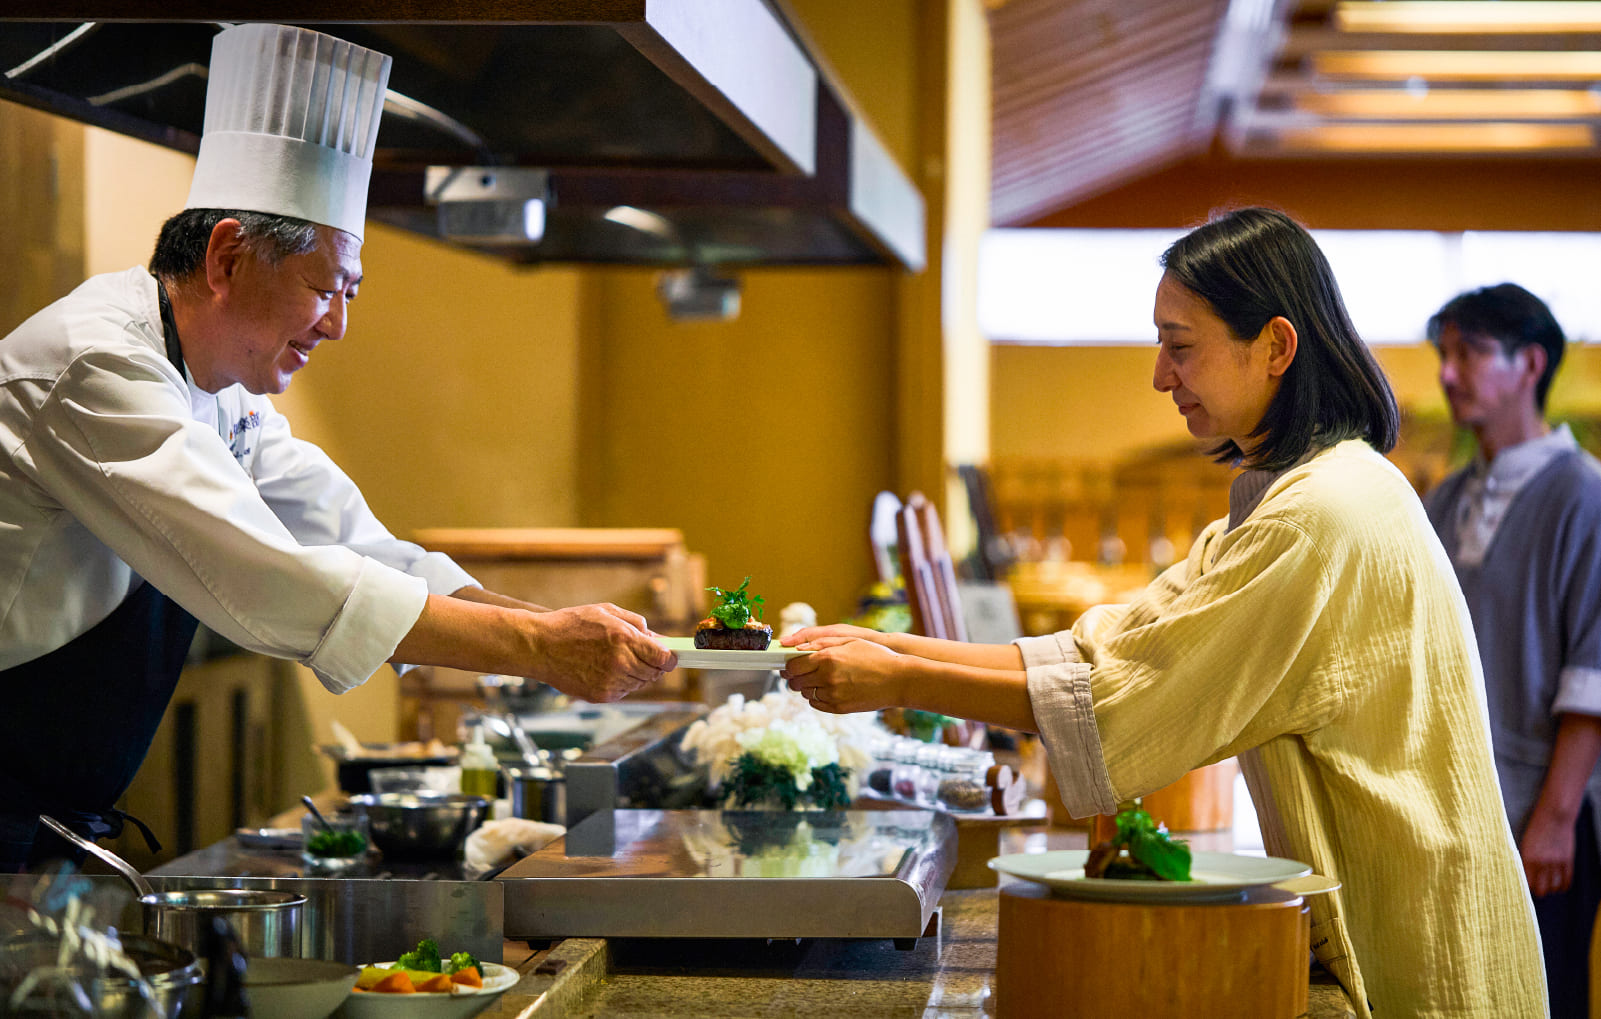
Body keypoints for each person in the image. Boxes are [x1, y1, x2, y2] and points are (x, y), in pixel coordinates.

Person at [783, 207, 1546, 1016]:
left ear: (1276, 347)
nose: (1158, 373)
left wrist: (899, 679)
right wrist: (891, 648)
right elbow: (1108, 648)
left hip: (1422, 953)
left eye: (1180, 345)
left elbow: (1119, 703)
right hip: (1407, 919)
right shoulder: (1296, 493)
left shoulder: (1317, 515)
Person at [0, 24, 674, 872]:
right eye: (325, 287)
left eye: (348, 291)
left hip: (46, 823)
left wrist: (545, 623)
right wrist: (539, 651)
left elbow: (347, 539)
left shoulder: (218, 388)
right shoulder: (97, 364)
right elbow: (269, 577)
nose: (339, 323)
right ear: (227, 256)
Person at [1423, 283, 1601, 1018]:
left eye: (1467, 352)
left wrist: (1555, 818)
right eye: (1443, 352)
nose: (1447, 371)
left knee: (1542, 995)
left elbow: (1592, 673)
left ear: (1529, 363)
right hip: (1460, 815)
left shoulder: (1583, 495)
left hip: (1543, 822)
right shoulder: (1442, 499)